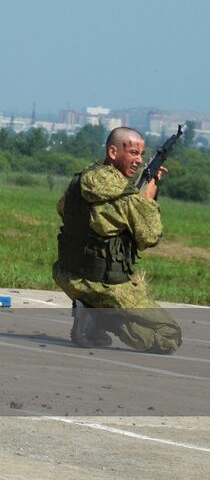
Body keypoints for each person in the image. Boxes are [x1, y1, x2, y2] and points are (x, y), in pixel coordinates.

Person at [53, 127, 182, 354]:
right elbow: (150, 237)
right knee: (170, 334)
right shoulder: (126, 198)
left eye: (141, 155)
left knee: (102, 337)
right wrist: (149, 198)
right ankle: (98, 317)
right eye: (133, 153)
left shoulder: (80, 180)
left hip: (67, 275)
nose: (138, 161)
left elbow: (63, 209)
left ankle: (92, 314)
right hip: (106, 286)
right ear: (113, 152)